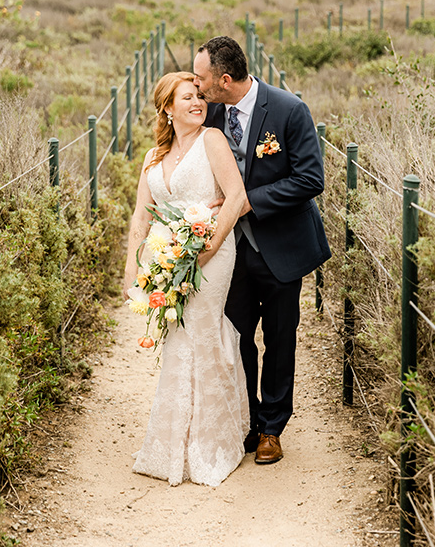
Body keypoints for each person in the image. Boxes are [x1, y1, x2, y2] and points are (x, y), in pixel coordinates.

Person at [193, 36, 331, 465]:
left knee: (279, 339)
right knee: (236, 339)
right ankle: (247, 422)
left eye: (202, 79)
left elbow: (310, 179)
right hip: (227, 251)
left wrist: (248, 200)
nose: (198, 87)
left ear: (225, 79)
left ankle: (272, 428)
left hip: (281, 248)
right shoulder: (210, 112)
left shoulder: (290, 110)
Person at [124, 71, 249, 487]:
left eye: (199, 95)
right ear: (167, 108)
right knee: (179, 335)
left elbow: (237, 197)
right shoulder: (152, 157)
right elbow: (142, 216)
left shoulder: (212, 139)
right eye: (187, 97)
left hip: (213, 252)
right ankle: (173, 440)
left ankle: (214, 443)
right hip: (169, 257)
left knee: (201, 329)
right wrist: (135, 268)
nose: (198, 102)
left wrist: (207, 246)